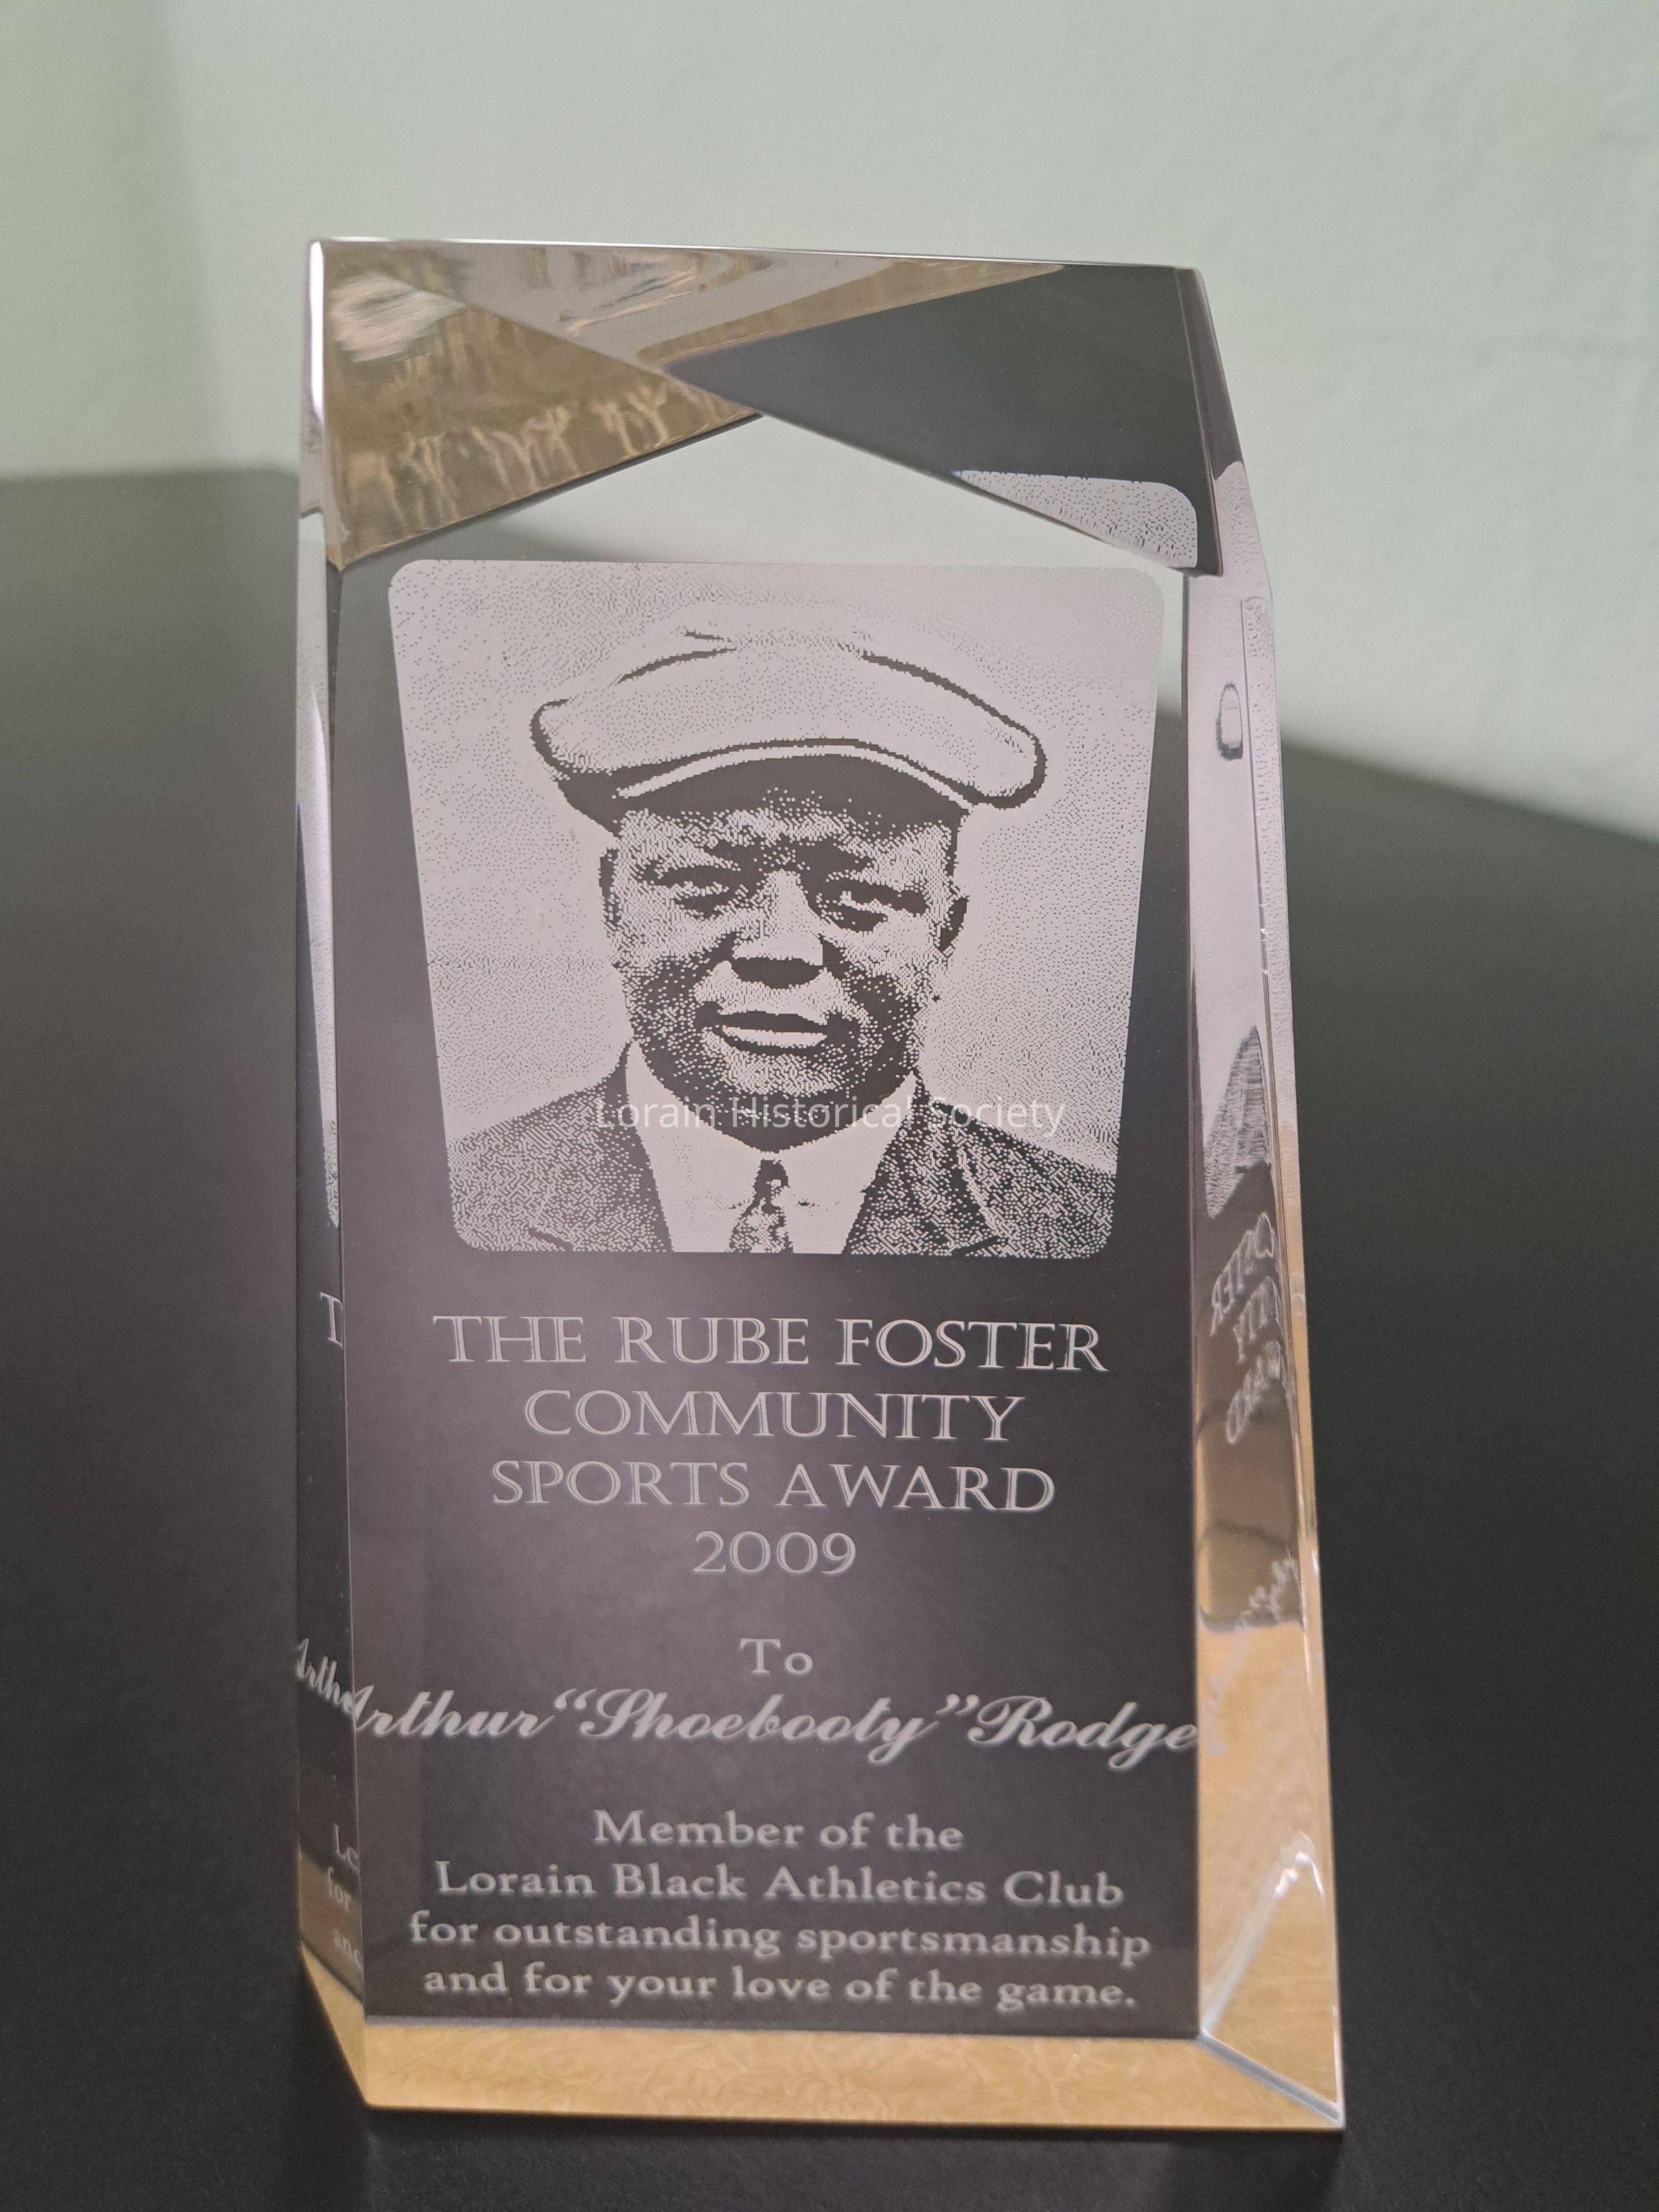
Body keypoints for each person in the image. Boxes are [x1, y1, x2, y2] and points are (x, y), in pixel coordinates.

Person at [448, 603, 1112, 1257]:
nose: (780, 947)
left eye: (859, 895)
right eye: (705, 885)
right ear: (615, 907)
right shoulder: (456, 1204)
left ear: (944, 937)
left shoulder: (1081, 1231)